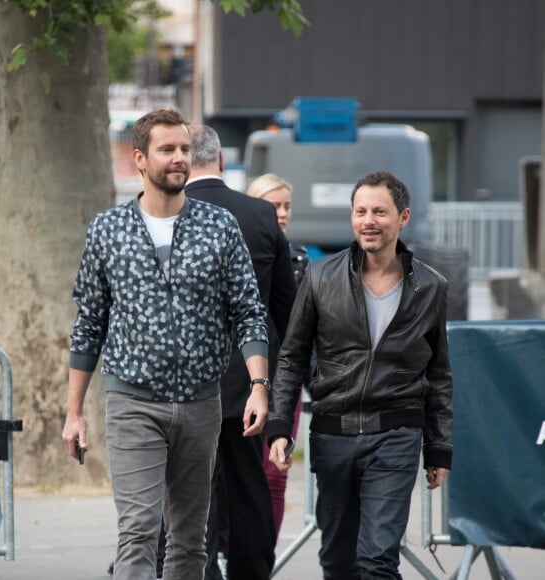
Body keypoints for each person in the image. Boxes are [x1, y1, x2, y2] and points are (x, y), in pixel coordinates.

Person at [62, 108, 271, 580]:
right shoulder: (108, 230)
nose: (180, 158)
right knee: (138, 529)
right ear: (140, 158)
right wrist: (74, 412)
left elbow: (248, 311)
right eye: (167, 150)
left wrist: (259, 384)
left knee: (190, 538)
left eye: (184, 149)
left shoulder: (218, 227)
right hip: (132, 402)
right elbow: (89, 323)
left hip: (201, 403)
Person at [267, 170, 453, 579]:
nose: (369, 220)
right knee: (338, 560)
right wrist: (280, 425)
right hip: (333, 433)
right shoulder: (319, 277)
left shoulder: (430, 286)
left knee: (377, 560)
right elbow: (292, 356)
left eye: (380, 212)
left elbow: (439, 374)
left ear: (402, 218)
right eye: (361, 211)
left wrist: (439, 447)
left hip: (396, 434)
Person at [159, 125, 296, 580]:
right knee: (248, 485)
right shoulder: (260, 215)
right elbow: (284, 306)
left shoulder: (168, 212)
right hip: (248, 379)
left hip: (184, 380)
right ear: (220, 160)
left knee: (190, 488)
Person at [246, 173, 309, 535]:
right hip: (245, 378)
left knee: (275, 474)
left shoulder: (299, 258)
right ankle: (228, 555)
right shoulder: (242, 255)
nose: (281, 214)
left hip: (286, 379)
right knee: (239, 472)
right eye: (273, 206)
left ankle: (262, 559)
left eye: (286, 206)